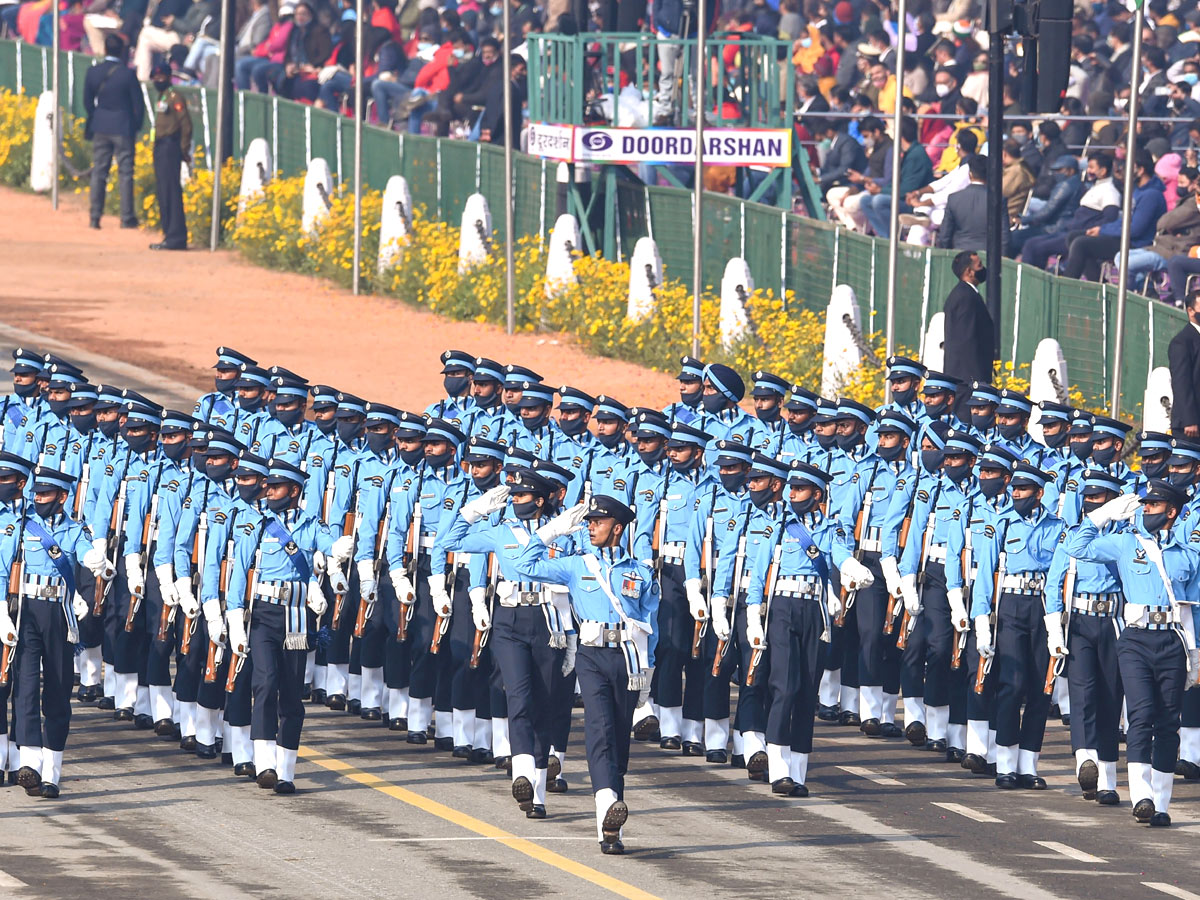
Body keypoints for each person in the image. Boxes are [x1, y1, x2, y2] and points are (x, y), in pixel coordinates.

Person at [515, 494, 657, 855]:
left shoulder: (639, 572)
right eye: (589, 521)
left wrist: (648, 672)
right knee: (600, 730)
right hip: (591, 656)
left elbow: (650, 625)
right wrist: (550, 532)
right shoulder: (576, 565)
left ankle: (612, 829)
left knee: (620, 741)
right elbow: (523, 565)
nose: (591, 526)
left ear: (618, 528)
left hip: (627, 657)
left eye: (599, 521)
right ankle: (608, 804)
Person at [1068, 482, 1200, 826]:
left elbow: (1195, 608)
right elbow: (1075, 546)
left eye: (1154, 505)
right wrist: (1103, 514)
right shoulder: (1126, 542)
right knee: (1140, 715)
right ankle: (1141, 796)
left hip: (1172, 640)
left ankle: (1162, 802)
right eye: (1146, 503)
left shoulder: (1187, 554)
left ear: (1171, 512)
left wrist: (1197, 653)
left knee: (1169, 721)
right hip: (1136, 640)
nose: (1146, 509)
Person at [0, 465, 108, 798]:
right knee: (27, 688)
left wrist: (97, 560)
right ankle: (29, 765)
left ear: (62, 497)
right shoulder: (20, 527)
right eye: (36, 494)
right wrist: (3, 614)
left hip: (59, 614)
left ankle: (52, 773)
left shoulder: (74, 530)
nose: (38, 499)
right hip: (27, 612)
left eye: (45, 495)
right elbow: (3, 572)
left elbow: (85, 554)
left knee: (59, 692)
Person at [85, 34, 145, 231]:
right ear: (122, 51)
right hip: (123, 127)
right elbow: (139, 105)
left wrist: (97, 116)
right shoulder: (127, 75)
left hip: (101, 126)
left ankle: (95, 217)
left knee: (99, 173)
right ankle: (127, 217)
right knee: (125, 173)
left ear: (105, 49)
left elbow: (87, 102)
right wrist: (135, 126)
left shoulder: (93, 72)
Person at [942, 251, 996, 418]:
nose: (983, 269)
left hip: (965, 379)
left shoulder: (966, 294)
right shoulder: (965, 297)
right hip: (966, 380)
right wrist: (976, 381)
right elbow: (965, 341)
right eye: (979, 265)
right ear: (968, 272)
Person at [149, 61, 192, 252]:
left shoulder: (175, 97)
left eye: (161, 77)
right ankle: (169, 234)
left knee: (171, 192)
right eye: (155, 77)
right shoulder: (163, 96)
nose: (158, 80)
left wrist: (183, 150)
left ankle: (175, 237)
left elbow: (186, 125)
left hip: (170, 147)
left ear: (168, 77)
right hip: (161, 147)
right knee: (163, 192)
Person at [937, 154, 1005, 253]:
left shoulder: (954, 199)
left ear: (970, 175)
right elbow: (1004, 236)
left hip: (960, 254)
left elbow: (945, 236)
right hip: (989, 255)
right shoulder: (999, 200)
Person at [1169, 289, 1200, 437]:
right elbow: (1181, 383)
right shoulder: (1182, 342)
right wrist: (1190, 420)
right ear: (1190, 311)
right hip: (1190, 427)